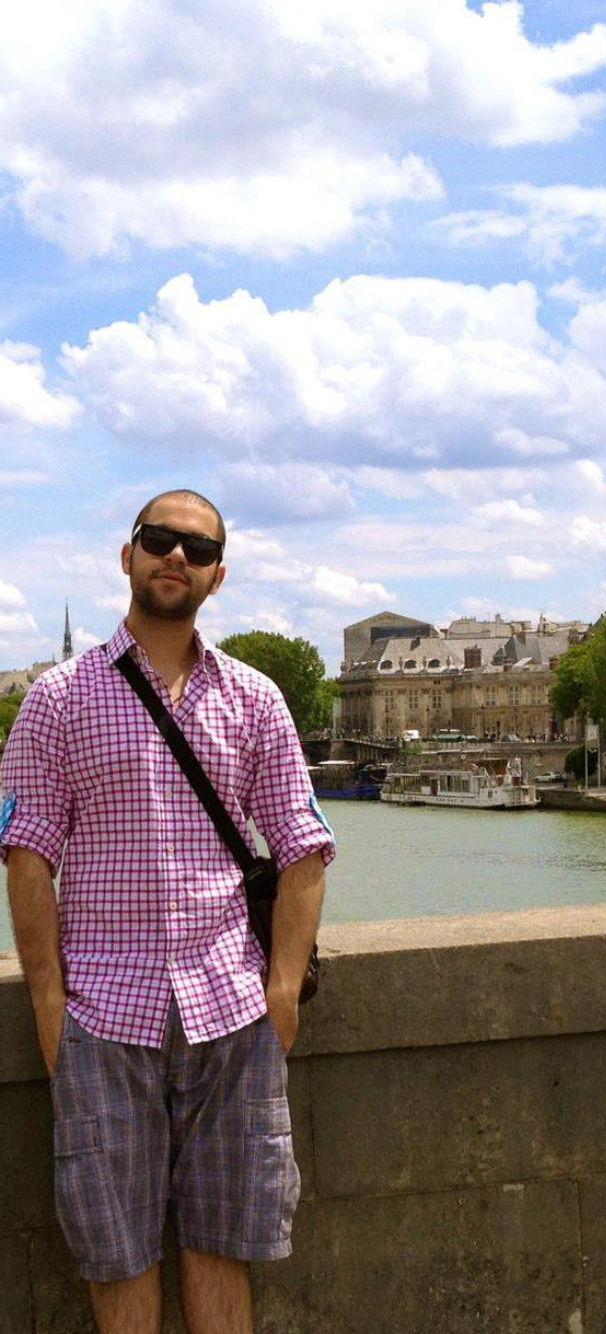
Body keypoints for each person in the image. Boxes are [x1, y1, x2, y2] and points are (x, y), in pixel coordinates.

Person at [0, 489, 335, 1334]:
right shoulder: (57, 699)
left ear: (218, 576)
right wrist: (49, 1003)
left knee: (223, 1249)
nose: (175, 556)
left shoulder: (255, 699)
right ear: (129, 556)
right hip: (102, 1015)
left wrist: (282, 993)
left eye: (198, 548)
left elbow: (303, 847)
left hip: (232, 1011)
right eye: (158, 539)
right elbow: (28, 854)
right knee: (117, 1258)